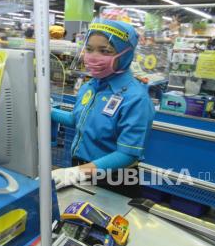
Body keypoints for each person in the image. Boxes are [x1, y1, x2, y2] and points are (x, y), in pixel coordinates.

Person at [51, 18, 155, 190]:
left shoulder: (136, 98)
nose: (93, 56)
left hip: (115, 178)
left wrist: (76, 172)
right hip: (80, 168)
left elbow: (127, 154)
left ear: (126, 53)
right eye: (90, 49)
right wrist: (48, 110)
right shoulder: (90, 86)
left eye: (105, 51)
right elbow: (78, 120)